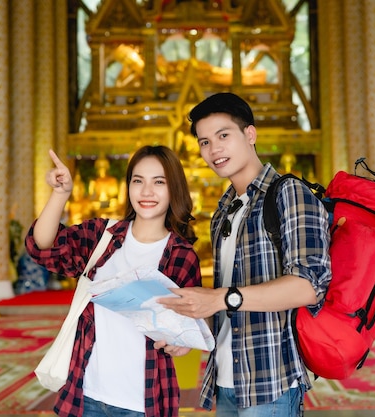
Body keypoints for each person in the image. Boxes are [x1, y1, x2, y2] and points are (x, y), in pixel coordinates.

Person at [159, 92, 332, 416]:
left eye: (223, 135)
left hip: (271, 383)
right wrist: (191, 334)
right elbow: (227, 305)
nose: (214, 150)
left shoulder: (289, 193)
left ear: (249, 134)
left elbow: (310, 286)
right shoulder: (223, 210)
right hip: (225, 379)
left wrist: (221, 298)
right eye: (205, 142)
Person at [25, 145, 202, 417]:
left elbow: (189, 325)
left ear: (173, 189)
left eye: (159, 182)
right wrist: (60, 194)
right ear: (128, 186)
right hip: (87, 395)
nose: (146, 192)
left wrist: (182, 342)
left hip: (144, 401)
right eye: (138, 181)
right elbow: (44, 245)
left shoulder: (181, 255)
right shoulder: (103, 235)